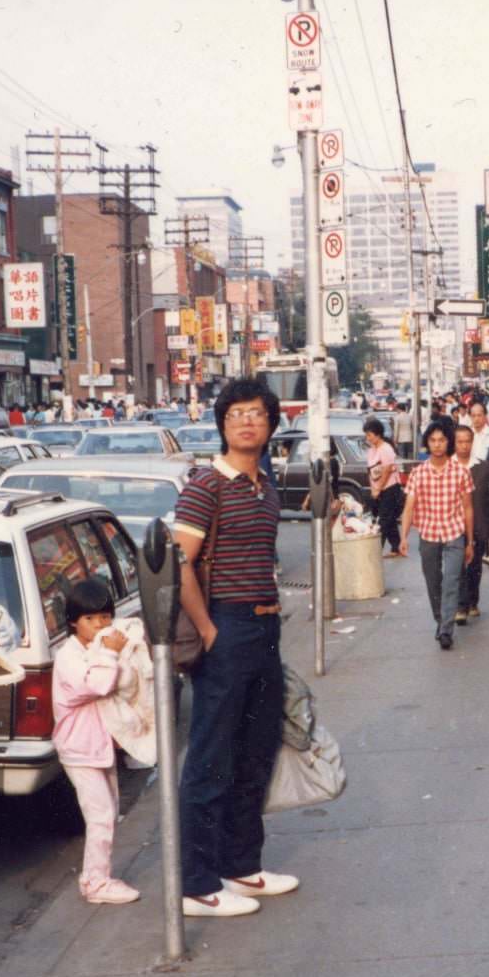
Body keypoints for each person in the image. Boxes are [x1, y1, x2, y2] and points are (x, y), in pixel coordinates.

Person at [172, 377, 295, 919]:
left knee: (255, 753)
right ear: (222, 425)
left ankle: (241, 865)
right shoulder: (205, 485)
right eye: (237, 414)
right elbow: (181, 564)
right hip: (226, 629)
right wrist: (208, 629)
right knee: (210, 758)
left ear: (270, 425)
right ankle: (197, 884)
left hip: (266, 629)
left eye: (257, 413)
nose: (248, 421)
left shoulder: (263, 484)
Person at [53, 578, 143, 906]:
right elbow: (100, 684)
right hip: (79, 749)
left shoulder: (94, 649)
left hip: (99, 747)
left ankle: (100, 874)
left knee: (109, 809)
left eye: (105, 618)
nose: (100, 625)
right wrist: (110, 653)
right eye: (91, 619)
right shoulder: (69, 657)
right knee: (101, 814)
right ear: (74, 622)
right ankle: (95, 882)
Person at [401, 421, 475, 650]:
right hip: (429, 534)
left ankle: (446, 630)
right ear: (427, 444)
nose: (437, 445)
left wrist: (470, 541)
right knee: (433, 582)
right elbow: (409, 507)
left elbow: (468, 508)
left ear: (448, 443)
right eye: (432, 440)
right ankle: (440, 620)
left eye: (442, 440)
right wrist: (403, 537)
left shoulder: (461, 472)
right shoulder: (418, 473)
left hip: (455, 533)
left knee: (451, 581)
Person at [454, 424, 489, 623]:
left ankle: (472, 600)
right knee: (457, 566)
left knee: (474, 566)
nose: (464, 446)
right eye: (460, 442)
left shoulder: (483, 467)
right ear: (454, 443)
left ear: (472, 442)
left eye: (467, 441)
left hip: (478, 525)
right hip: (453, 526)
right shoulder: (448, 467)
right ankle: (461, 606)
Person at [364, 417, 407, 558]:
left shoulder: (386, 449)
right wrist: (373, 489)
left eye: (369, 435)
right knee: (388, 520)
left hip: (389, 488)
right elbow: (370, 470)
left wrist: (379, 488)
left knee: (383, 520)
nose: (368, 438)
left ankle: (376, 550)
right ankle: (396, 547)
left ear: (377, 434)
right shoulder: (371, 450)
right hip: (378, 489)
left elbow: (387, 470)